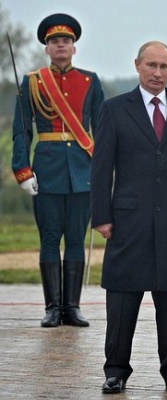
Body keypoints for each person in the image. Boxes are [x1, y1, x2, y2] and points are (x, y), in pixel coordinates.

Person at [90, 41, 167, 394]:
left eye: (164, 67)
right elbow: (101, 168)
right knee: (123, 298)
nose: (158, 73)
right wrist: (101, 215)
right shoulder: (114, 110)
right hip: (127, 221)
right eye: (152, 65)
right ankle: (115, 370)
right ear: (138, 66)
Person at [11, 13, 104, 328]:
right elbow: (22, 130)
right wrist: (22, 169)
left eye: (66, 41)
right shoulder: (33, 82)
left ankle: (72, 308)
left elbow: (102, 131)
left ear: (74, 47)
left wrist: (104, 171)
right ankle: (53, 308)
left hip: (82, 171)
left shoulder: (90, 81)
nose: (60, 45)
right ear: (47, 48)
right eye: (54, 41)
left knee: (76, 239)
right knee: (50, 238)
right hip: (47, 170)